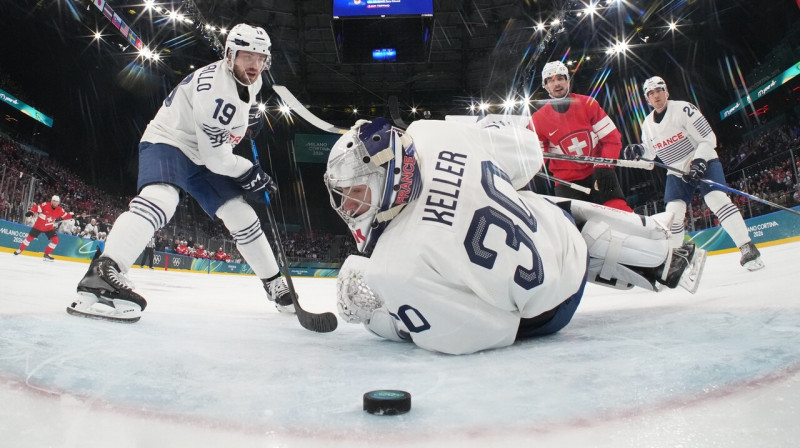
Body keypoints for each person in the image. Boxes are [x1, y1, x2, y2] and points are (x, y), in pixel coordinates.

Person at [324, 117, 701, 355]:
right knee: (534, 203)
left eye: (357, 192)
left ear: (387, 174)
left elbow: (480, 332)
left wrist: (383, 319)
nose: (349, 206)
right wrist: (488, 132)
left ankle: (640, 250)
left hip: (547, 313)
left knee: (452, 286)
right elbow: (527, 157)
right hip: (563, 237)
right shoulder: (430, 132)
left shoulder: (393, 263)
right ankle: (655, 250)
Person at [67, 23, 295, 323]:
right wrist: (249, 172)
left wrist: (246, 119)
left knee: (241, 214)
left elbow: (227, 131)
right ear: (230, 55)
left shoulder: (252, 79)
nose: (254, 65)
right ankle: (104, 273)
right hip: (171, 140)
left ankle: (274, 284)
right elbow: (217, 160)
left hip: (205, 151)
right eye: (247, 56)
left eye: (260, 57)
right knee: (161, 198)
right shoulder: (216, 92)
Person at [623, 76, 764, 271]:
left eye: (659, 90)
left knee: (716, 199)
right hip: (675, 170)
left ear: (667, 91)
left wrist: (699, 162)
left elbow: (708, 138)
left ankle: (747, 246)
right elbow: (651, 152)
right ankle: (675, 259)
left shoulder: (683, 108)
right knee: (672, 215)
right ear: (647, 99)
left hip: (701, 160)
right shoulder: (647, 124)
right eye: (651, 93)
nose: (656, 96)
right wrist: (638, 150)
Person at [529, 61, 633, 212]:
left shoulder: (588, 104)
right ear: (545, 86)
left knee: (620, 213)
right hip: (567, 184)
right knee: (575, 229)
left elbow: (612, 139)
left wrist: (604, 167)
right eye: (550, 80)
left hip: (599, 173)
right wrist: (524, 176)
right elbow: (536, 158)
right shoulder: (538, 119)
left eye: (560, 78)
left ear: (568, 81)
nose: (556, 83)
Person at [15, 195, 73, 261]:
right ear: (51, 201)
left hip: (49, 228)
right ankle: (19, 250)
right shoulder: (45, 205)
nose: (55, 202)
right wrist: (31, 211)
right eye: (53, 201)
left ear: (58, 203)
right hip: (38, 226)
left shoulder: (60, 210)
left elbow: (66, 216)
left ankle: (47, 254)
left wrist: (72, 216)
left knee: (55, 240)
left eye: (56, 201)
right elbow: (36, 208)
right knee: (29, 238)